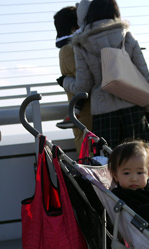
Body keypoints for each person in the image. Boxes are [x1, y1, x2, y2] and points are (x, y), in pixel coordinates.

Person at [59, 0, 149, 150]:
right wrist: (148, 109)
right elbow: (145, 77)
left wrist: (66, 82)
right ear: (116, 13)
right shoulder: (128, 37)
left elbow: (83, 86)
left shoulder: (82, 44)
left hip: (104, 115)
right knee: (138, 165)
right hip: (134, 110)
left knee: (107, 167)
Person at [53, 4, 93, 152]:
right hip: (86, 115)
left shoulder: (68, 48)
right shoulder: (70, 49)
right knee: (90, 158)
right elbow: (84, 81)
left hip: (83, 115)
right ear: (74, 26)